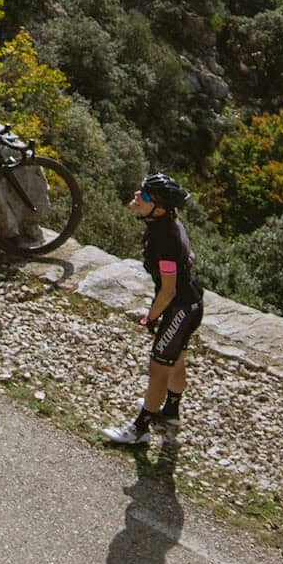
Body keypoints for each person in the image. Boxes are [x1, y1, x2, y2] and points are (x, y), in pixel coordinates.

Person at [104, 172, 203, 445]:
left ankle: (141, 428)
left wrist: (152, 316)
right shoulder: (167, 223)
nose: (137, 195)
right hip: (192, 303)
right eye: (140, 190)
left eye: (145, 195)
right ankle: (170, 411)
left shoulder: (164, 239)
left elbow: (168, 290)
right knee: (176, 359)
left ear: (157, 208)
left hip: (179, 308)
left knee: (158, 368)